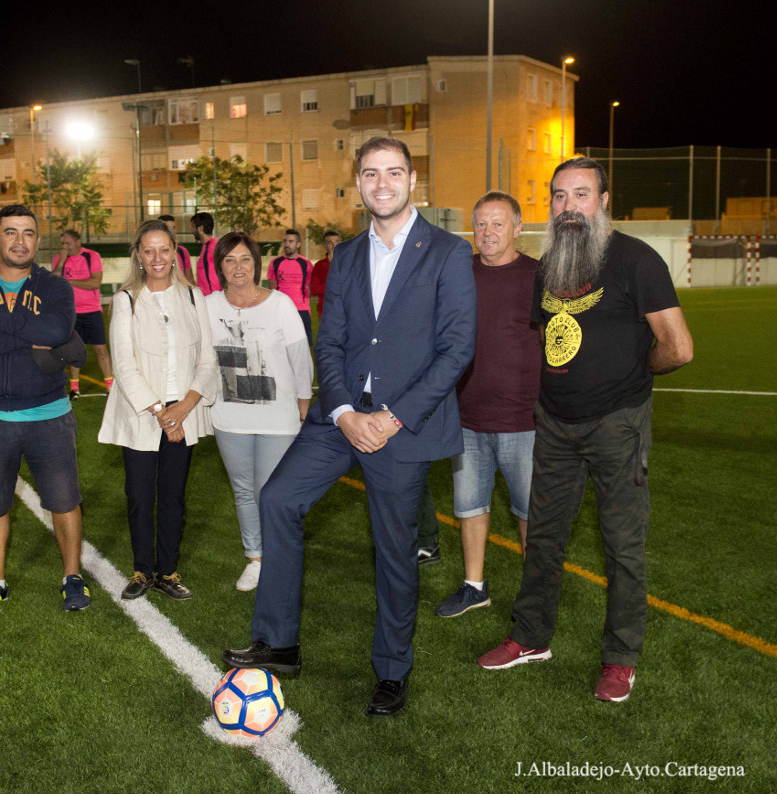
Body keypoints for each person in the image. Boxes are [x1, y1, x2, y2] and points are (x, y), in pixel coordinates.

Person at [223, 137, 476, 718]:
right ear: (358, 183)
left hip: (401, 427)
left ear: (413, 181)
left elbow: (457, 349)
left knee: (394, 550)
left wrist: (390, 418)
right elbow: (329, 342)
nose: (381, 183)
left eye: (393, 173)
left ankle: (391, 670)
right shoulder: (346, 256)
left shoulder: (446, 252)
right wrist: (342, 412)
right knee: (278, 499)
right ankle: (278, 641)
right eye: (370, 173)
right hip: (339, 417)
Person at [478, 158, 694, 704]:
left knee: (622, 546)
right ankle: (530, 638)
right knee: (544, 536)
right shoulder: (552, 264)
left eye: (580, 194)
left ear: (602, 201)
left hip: (616, 423)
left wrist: (632, 376)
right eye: (558, 196)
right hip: (554, 422)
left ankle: (620, 660)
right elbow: (552, 339)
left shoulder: (635, 260)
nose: (568, 206)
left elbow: (679, 346)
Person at [0, 204, 92, 613]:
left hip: (48, 411)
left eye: (28, 233)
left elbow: (56, 331)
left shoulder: (54, 287)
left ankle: (72, 576)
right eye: (10, 232)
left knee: (64, 500)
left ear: (37, 240)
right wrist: (27, 336)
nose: (19, 241)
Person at [98, 220, 218, 602]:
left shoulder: (193, 296)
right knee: (138, 495)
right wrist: (161, 414)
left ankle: (167, 571)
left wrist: (182, 408)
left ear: (175, 253)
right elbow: (124, 364)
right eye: (148, 251)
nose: (157, 258)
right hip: (143, 415)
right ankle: (141, 569)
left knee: (173, 495)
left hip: (183, 412)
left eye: (163, 249)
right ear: (138, 255)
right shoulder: (126, 299)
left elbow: (208, 358)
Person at [434, 192, 539, 619]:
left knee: (532, 511)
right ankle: (474, 586)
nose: (488, 232)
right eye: (480, 224)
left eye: (498, 224)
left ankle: (535, 597)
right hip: (466, 418)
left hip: (525, 420)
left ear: (518, 228)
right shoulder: (459, 273)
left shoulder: (540, 276)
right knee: (470, 506)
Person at [206, 232, 313, 591]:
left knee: (271, 491)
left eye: (245, 259)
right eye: (230, 260)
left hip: (278, 417)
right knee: (243, 491)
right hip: (229, 419)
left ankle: (281, 558)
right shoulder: (206, 306)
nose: (238, 267)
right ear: (219, 266)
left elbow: (300, 357)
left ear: (257, 263)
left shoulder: (280, 303)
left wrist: (302, 404)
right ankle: (256, 558)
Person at [51, 229, 113, 397]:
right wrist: (63, 259)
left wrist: (69, 281)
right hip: (70, 313)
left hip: (92, 310)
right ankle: (74, 389)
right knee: (74, 351)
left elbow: (95, 283)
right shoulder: (59, 259)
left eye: (68, 243)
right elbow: (55, 282)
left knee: (101, 349)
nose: (65, 246)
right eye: (62, 244)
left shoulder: (91, 256)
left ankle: (110, 387)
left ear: (78, 242)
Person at [266, 229, 315, 344]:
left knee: (303, 348)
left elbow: (310, 287)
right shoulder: (275, 263)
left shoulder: (306, 264)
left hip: (301, 310)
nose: (287, 244)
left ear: (298, 244)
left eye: (291, 241)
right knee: (281, 347)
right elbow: (272, 289)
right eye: (285, 241)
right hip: (281, 310)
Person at [309, 230, 341, 321]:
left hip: (346, 310)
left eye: (337, 242)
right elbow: (314, 289)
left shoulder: (348, 264)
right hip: (326, 312)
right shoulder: (319, 266)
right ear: (325, 246)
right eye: (330, 243)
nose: (334, 246)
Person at [190, 211, 220, 295]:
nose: (191, 230)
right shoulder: (212, 245)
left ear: (200, 228)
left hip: (210, 301)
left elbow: (212, 278)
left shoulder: (209, 249)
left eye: (192, 227)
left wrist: (214, 300)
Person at [159, 214, 193, 282]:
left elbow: (190, 279)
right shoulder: (154, 253)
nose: (172, 231)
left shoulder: (182, 251)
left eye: (174, 227)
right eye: (168, 228)